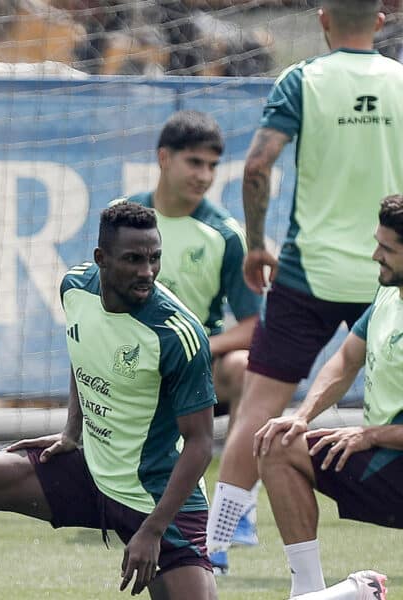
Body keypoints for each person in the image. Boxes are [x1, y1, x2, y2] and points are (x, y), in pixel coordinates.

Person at [0, 201, 218, 600]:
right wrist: (71, 431)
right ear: (102, 259)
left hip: (157, 498)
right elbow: (84, 356)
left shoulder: (178, 334)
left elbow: (199, 445)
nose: (147, 272)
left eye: (154, 258)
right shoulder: (75, 288)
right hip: (92, 474)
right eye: (133, 259)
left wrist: (152, 531)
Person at [206, 0, 403, 575]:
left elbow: (256, 167)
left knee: (261, 410)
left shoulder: (302, 80)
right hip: (388, 270)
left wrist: (258, 242)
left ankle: (213, 548)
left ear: (322, 21)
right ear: (381, 21)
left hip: (307, 271)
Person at [122, 110, 262, 562]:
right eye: (194, 163)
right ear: (164, 158)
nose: (204, 175)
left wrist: (195, 348)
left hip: (198, 372)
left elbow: (253, 326)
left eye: (212, 166)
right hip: (134, 368)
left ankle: (236, 507)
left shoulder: (224, 234)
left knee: (246, 370)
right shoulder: (128, 221)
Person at [253, 194, 403, 599]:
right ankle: (310, 592)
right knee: (278, 444)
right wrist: (302, 416)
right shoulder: (389, 295)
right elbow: (345, 359)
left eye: (387, 249)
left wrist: (371, 435)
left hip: (388, 451)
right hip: (390, 461)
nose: (375, 255)